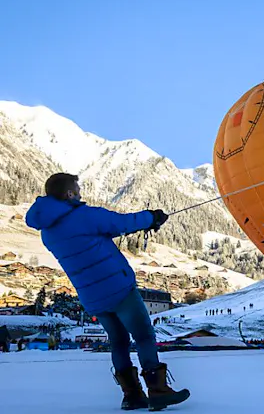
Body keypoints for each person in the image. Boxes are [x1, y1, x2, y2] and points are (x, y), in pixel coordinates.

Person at [25, 173, 190, 411]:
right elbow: (122, 223)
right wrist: (152, 217)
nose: (80, 193)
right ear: (69, 194)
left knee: (119, 342)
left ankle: (132, 395)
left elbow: (91, 236)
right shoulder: (84, 215)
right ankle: (158, 390)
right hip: (119, 288)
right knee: (143, 336)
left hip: (92, 298)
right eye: (77, 189)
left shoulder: (47, 232)